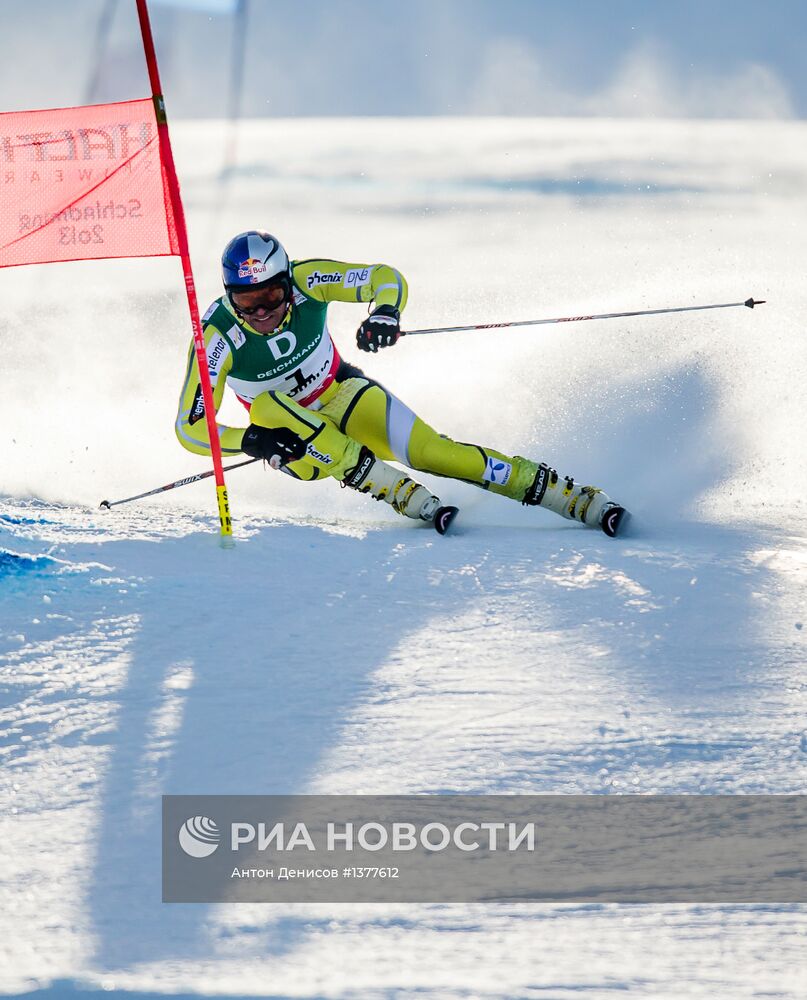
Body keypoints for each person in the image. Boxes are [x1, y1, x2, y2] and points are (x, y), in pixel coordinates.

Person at [175, 231, 628, 537]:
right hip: (296, 446)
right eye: (246, 301)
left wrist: (385, 312)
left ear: (286, 283)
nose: (261, 312)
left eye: (270, 296)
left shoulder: (308, 281)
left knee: (435, 452)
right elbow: (190, 428)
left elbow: (382, 278)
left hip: (342, 393)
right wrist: (251, 440)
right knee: (270, 405)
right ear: (229, 294)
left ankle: (571, 497)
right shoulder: (216, 337)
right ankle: (394, 490)